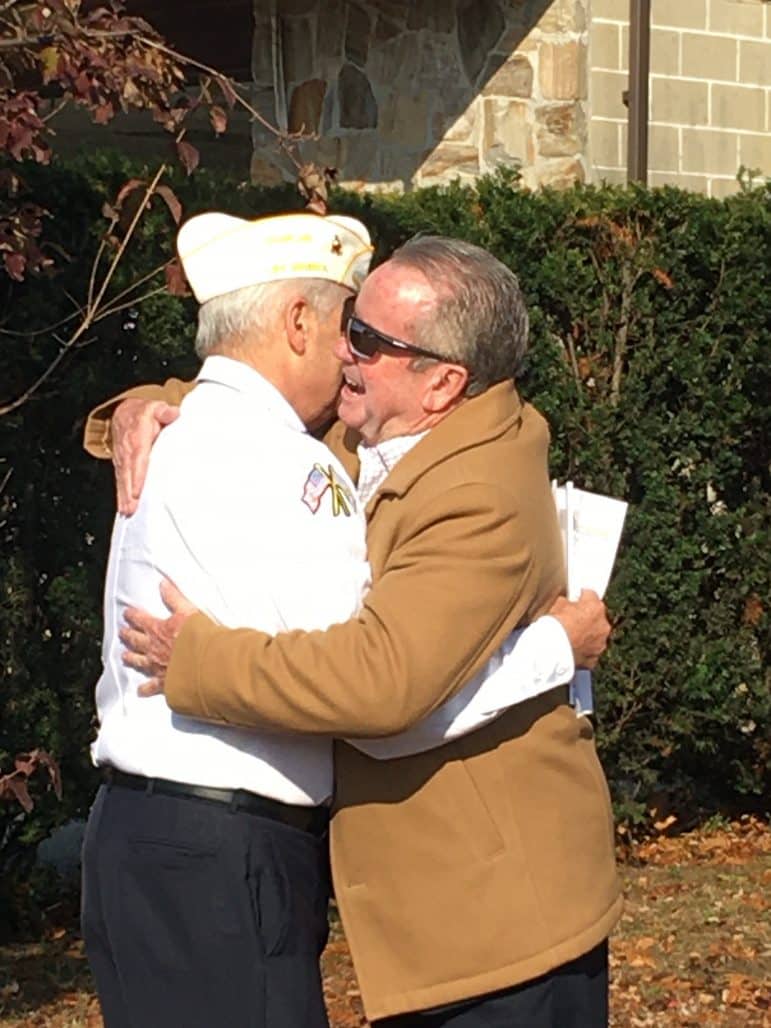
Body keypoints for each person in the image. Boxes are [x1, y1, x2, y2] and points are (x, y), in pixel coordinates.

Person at [83, 215, 614, 1028]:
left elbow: (381, 698)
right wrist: (150, 404)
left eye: (365, 338)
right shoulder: (357, 433)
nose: (345, 353)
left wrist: (198, 664)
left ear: (442, 383)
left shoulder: (477, 493)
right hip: (284, 871)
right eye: (347, 325)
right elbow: (241, 397)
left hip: (499, 924)